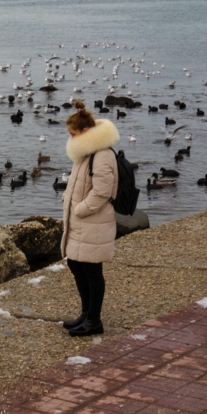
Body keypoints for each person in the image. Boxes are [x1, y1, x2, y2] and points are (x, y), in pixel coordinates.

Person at [61, 106, 119, 337]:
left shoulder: (102, 154)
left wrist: (80, 209)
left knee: (92, 270)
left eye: (73, 133)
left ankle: (94, 321)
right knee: (76, 264)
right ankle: (86, 315)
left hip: (93, 221)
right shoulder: (86, 151)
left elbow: (102, 191)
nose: (70, 137)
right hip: (82, 221)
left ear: (85, 131)